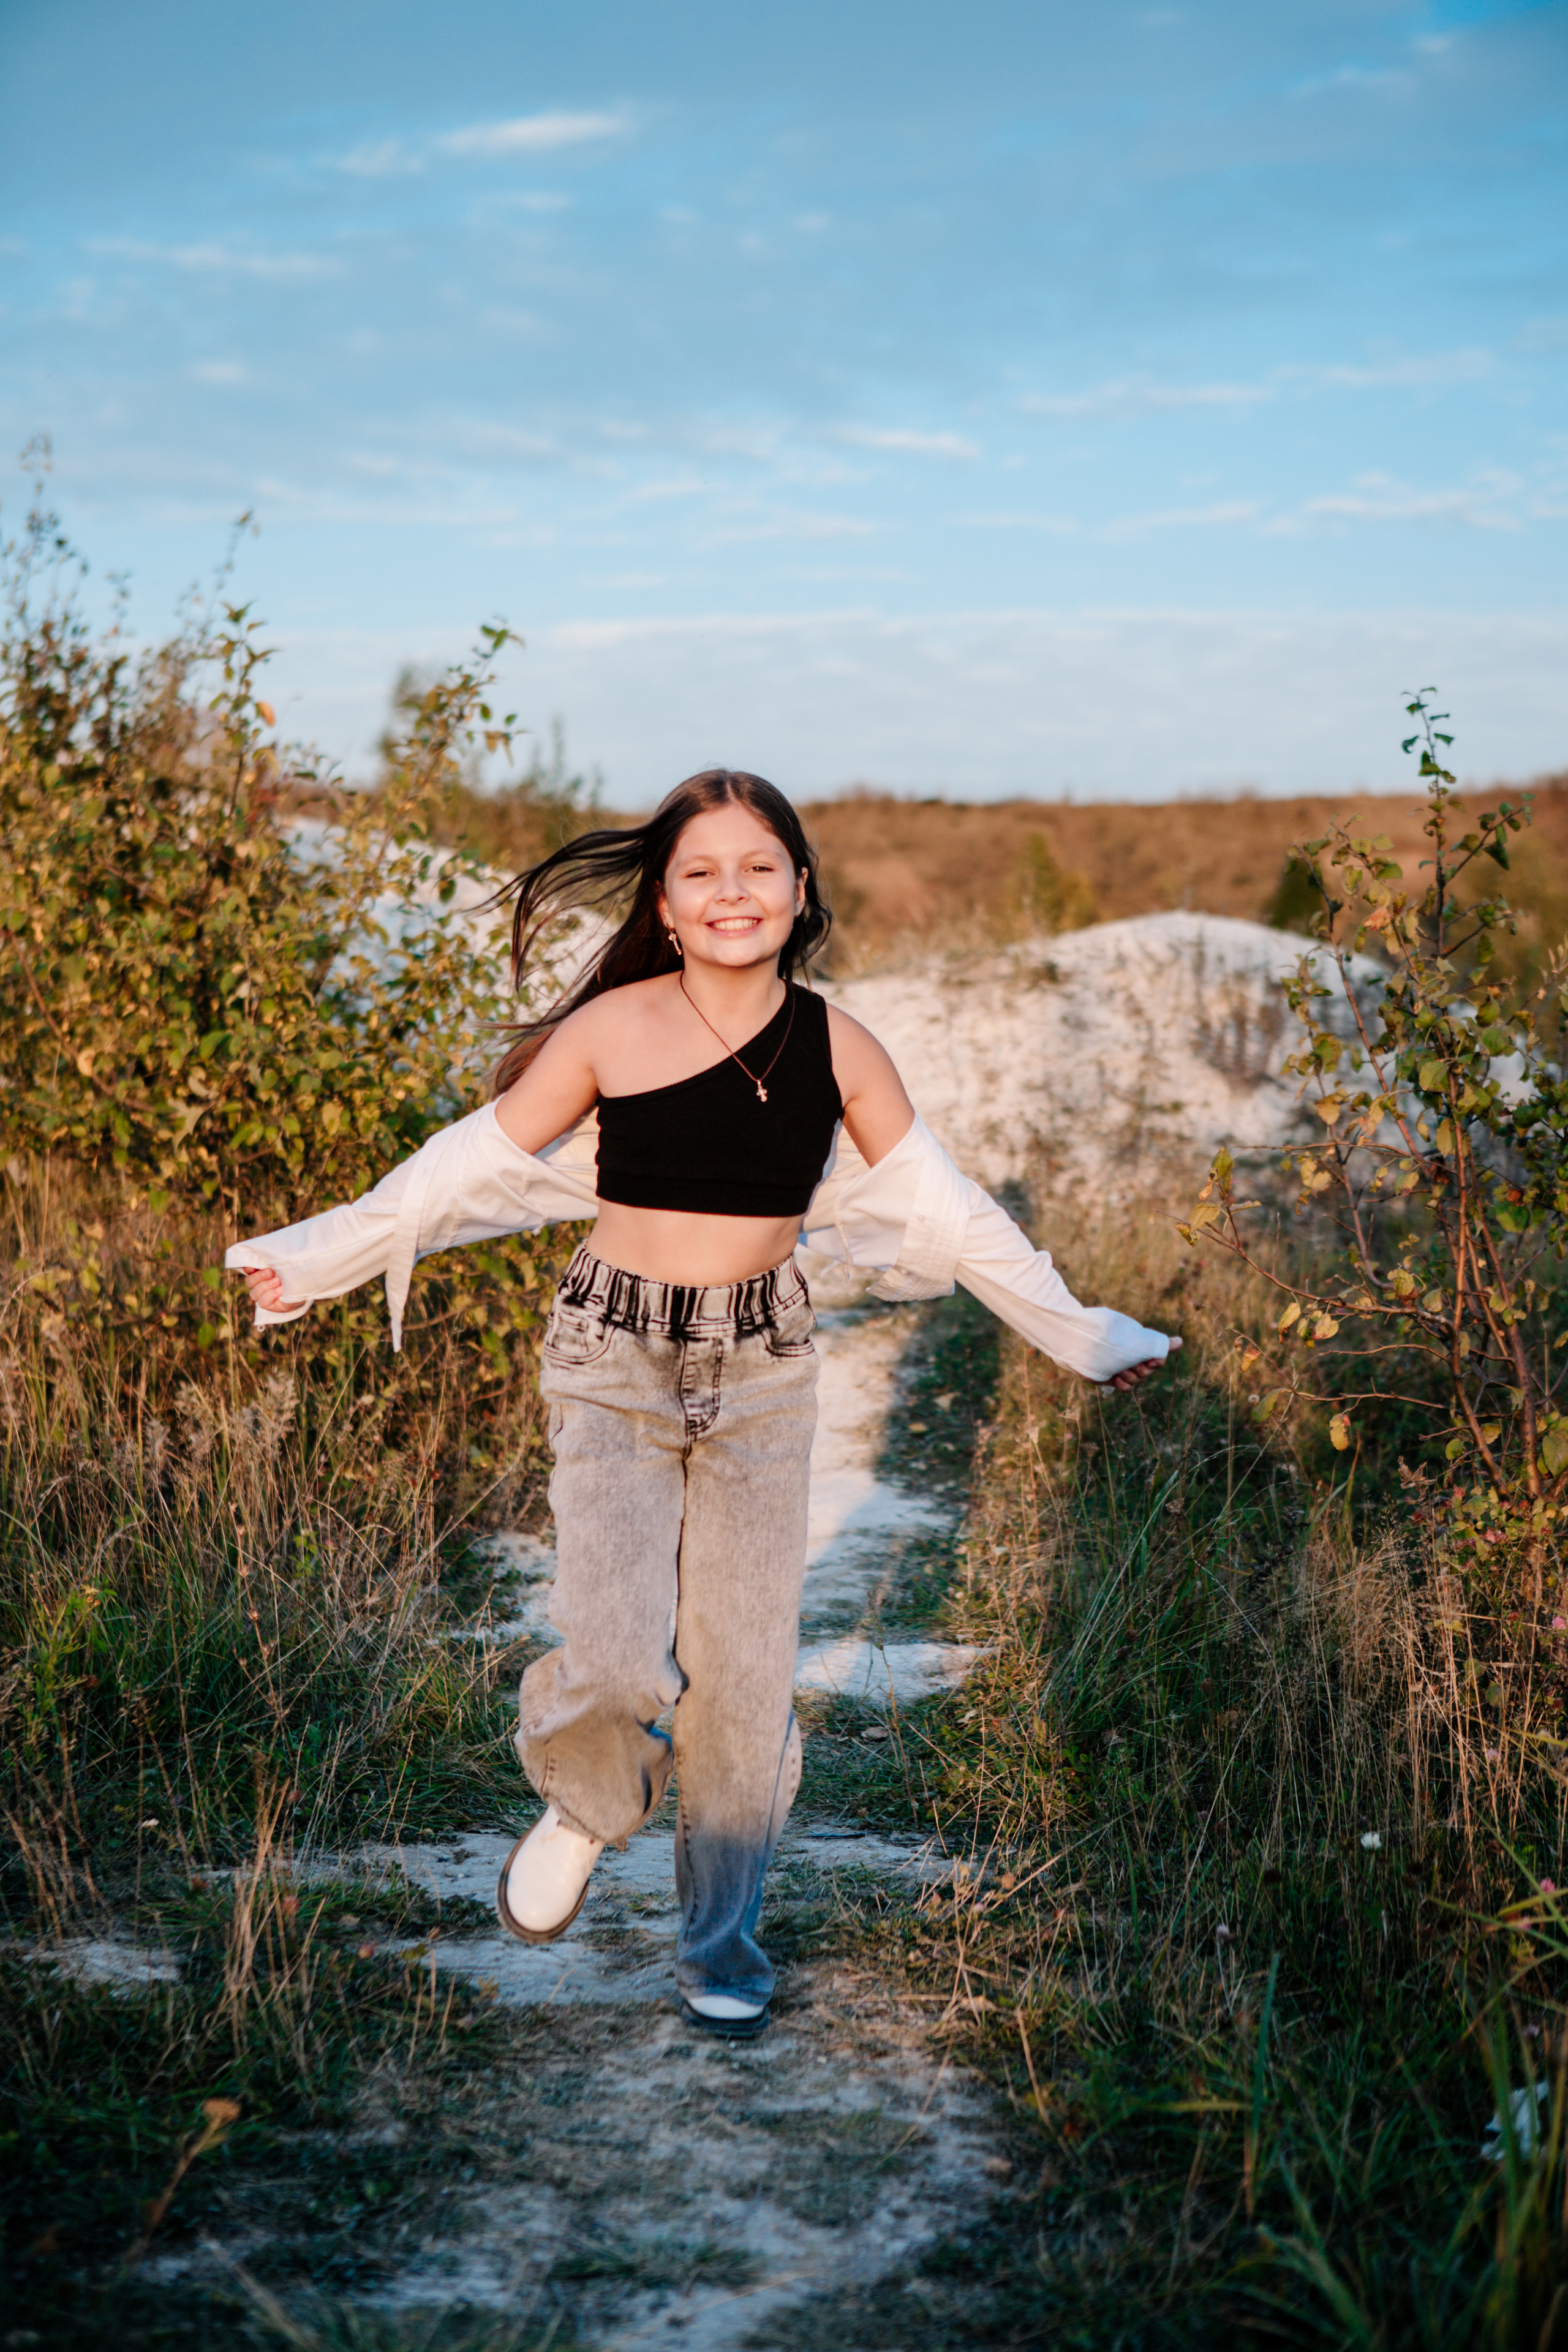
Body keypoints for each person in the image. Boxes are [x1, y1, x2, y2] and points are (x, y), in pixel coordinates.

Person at [229, 768, 1178, 2040]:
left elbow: (950, 1213)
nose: (733, 891)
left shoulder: (841, 1046)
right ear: (666, 907)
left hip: (762, 1368)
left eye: (758, 867)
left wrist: (1080, 1336)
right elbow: (463, 1169)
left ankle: (719, 1941)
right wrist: (319, 1260)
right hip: (611, 1357)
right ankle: (586, 1805)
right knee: (620, 1643)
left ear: (800, 890)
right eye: (701, 872)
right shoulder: (612, 1029)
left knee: (741, 1675)